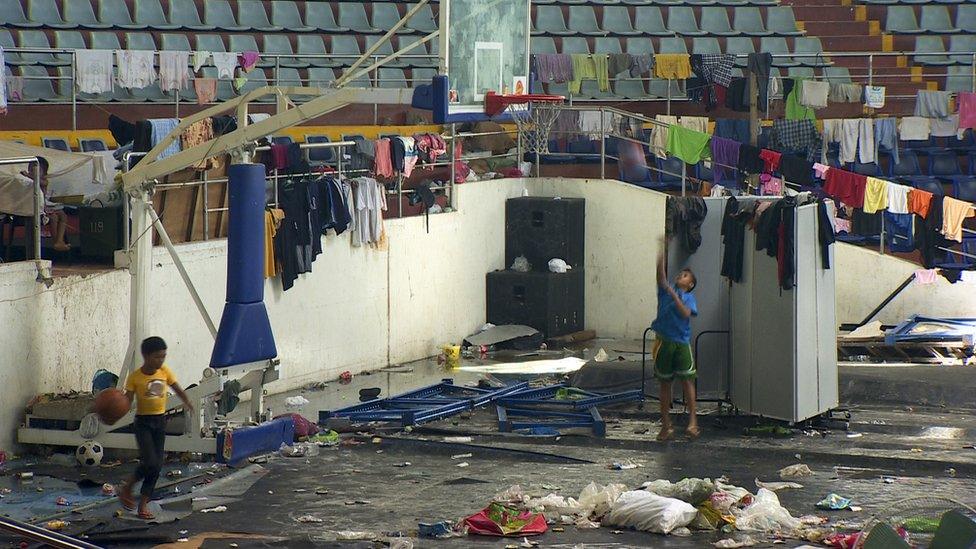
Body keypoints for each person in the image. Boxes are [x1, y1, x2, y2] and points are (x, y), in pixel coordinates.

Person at [120, 337, 194, 520]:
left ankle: (143, 505)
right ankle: (128, 486)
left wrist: (187, 402)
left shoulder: (164, 372)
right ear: (145, 356)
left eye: (163, 357)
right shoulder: (135, 377)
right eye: (156, 357)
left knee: (157, 466)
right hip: (143, 423)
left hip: (160, 422)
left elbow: (177, 388)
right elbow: (127, 400)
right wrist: (115, 409)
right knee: (150, 461)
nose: (160, 361)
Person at [651, 236, 699, 441]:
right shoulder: (665, 291)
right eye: (681, 273)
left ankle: (693, 422)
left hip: (681, 343)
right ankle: (666, 425)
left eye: (686, 275)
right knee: (664, 384)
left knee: (687, 381)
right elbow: (660, 275)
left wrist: (673, 293)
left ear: (690, 284)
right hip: (664, 341)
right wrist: (663, 250)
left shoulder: (687, 297)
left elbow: (686, 314)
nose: (681, 275)